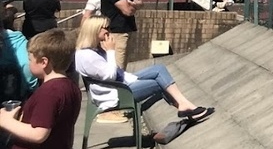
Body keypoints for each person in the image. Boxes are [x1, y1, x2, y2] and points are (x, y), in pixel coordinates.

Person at [74, 17, 214, 119]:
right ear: (94, 30)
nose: (109, 31)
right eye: (106, 28)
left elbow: (112, 73)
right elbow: (110, 75)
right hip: (115, 95)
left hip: (121, 84)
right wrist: (111, 52)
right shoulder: (87, 56)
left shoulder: (93, 50)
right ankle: (186, 108)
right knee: (159, 84)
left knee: (158, 69)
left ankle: (184, 105)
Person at [99, 0, 142, 68]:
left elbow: (140, 2)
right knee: (118, 68)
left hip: (125, 31)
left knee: (123, 66)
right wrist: (134, 5)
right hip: (116, 33)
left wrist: (136, 4)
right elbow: (127, 10)